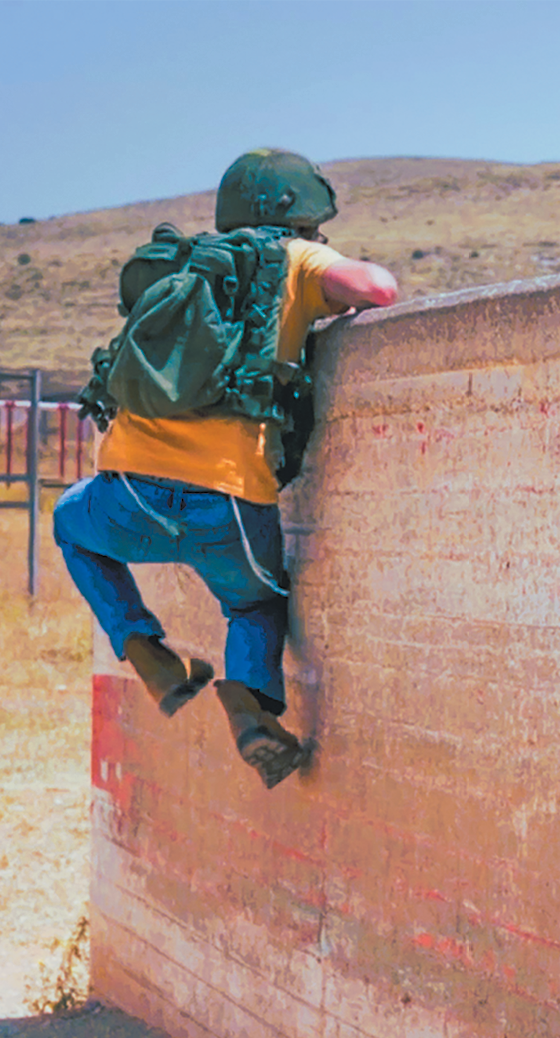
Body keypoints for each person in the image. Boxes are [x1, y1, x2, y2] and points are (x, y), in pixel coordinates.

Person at [52, 149, 399, 788]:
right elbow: (379, 290)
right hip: (230, 499)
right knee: (255, 604)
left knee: (71, 524)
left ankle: (145, 651)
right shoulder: (293, 258)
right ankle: (250, 709)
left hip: (129, 488)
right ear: (298, 217)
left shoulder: (187, 264)